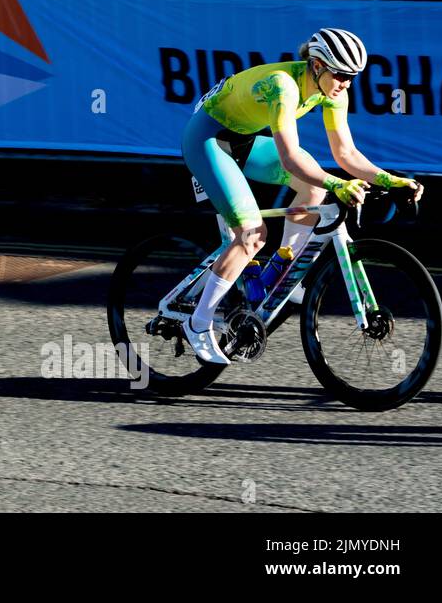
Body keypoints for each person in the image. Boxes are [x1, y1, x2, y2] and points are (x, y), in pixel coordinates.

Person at [181, 27, 424, 364]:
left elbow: (346, 155)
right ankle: (199, 323)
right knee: (251, 235)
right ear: (318, 66)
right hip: (207, 140)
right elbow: (289, 158)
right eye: (341, 74)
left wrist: (393, 180)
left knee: (311, 186)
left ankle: (283, 272)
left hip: (242, 140)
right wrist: (338, 185)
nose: (346, 83)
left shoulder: (334, 92)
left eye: (352, 77)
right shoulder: (283, 85)